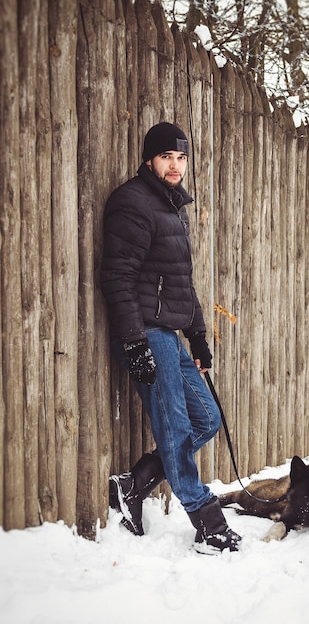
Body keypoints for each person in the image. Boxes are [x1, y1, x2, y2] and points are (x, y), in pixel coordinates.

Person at [100, 122, 241, 554]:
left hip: (170, 335)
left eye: (181, 157)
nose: (176, 165)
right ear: (149, 160)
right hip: (147, 333)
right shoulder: (133, 203)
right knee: (178, 428)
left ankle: (134, 483)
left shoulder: (171, 207)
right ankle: (208, 523)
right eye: (167, 157)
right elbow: (117, 276)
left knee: (206, 419)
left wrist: (198, 339)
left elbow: (182, 283)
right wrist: (134, 342)